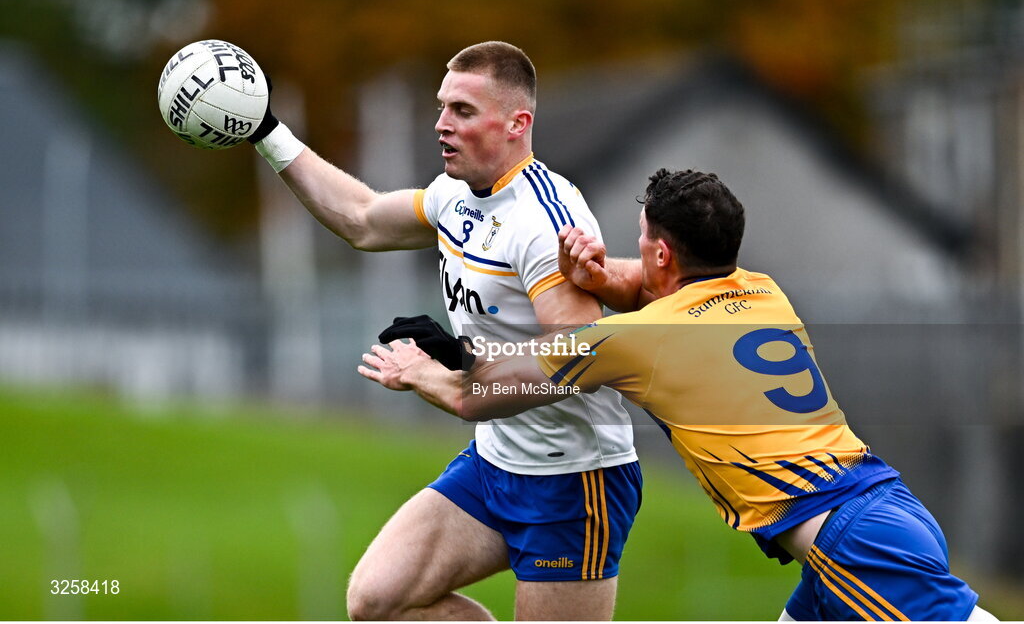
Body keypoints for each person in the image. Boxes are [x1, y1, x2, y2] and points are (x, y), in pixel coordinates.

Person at [360, 168, 996, 621]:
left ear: (662, 251)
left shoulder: (641, 338)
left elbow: (507, 373)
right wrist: (599, 276)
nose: (632, 250)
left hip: (850, 543)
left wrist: (434, 365)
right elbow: (652, 291)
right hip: (881, 508)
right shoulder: (760, 289)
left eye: (639, 239)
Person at [248, 41, 641, 620]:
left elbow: (579, 361)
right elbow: (361, 218)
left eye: (462, 110)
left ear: (517, 123)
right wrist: (266, 130)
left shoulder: (542, 224)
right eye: (441, 108)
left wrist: (449, 383)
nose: (441, 125)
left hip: (573, 478)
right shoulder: (453, 195)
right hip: (497, 460)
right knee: (378, 601)